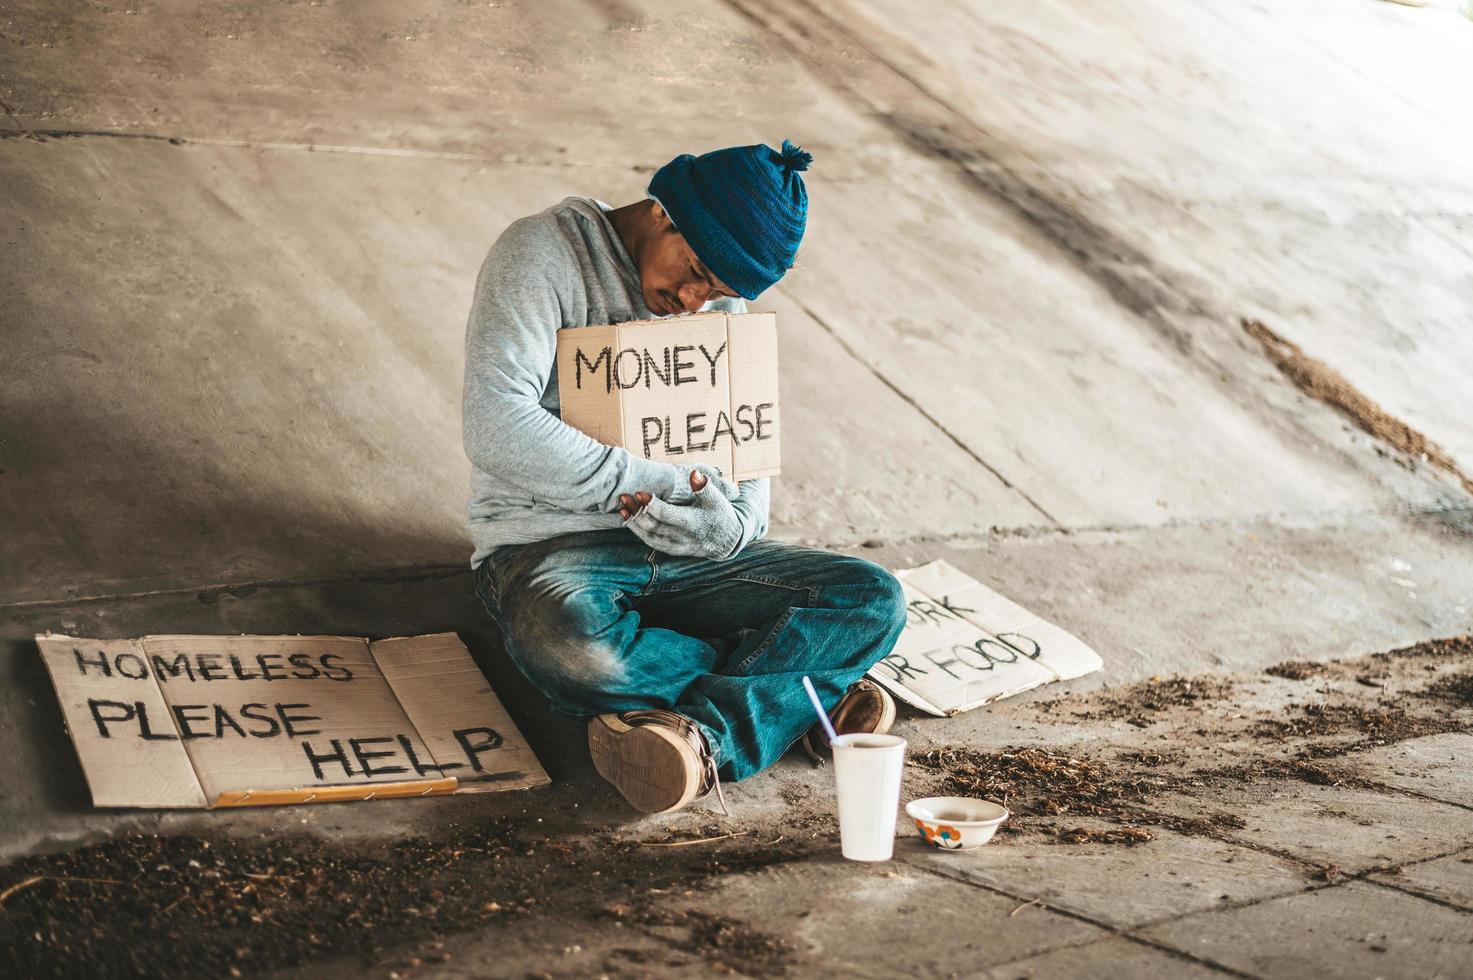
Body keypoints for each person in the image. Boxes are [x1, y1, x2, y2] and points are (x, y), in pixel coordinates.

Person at [462, 139, 908, 814]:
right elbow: (495, 424)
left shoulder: (714, 307)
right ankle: (792, 688)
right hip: (554, 551)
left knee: (872, 598)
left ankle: (702, 733)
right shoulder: (543, 253)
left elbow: (744, 459)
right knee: (572, 646)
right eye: (695, 270)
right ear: (662, 211)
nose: (693, 301)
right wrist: (654, 482)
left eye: (721, 293)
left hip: (692, 559)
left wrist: (736, 527)